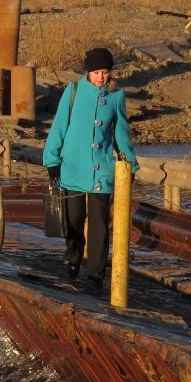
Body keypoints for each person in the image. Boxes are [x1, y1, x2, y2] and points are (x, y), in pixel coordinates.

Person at [43, 47, 139, 295]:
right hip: (73, 167)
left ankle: (95, 275)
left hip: (102, 171)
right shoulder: (73, 91)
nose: (101, 77)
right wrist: (51, 159)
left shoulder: (116, 96)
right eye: (97, 72)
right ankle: (73, 256)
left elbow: (121, 134)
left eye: (105, 72)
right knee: (74, 219)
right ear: (88, 71)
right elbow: (59, 126)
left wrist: (129, 163)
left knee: (99, 225)